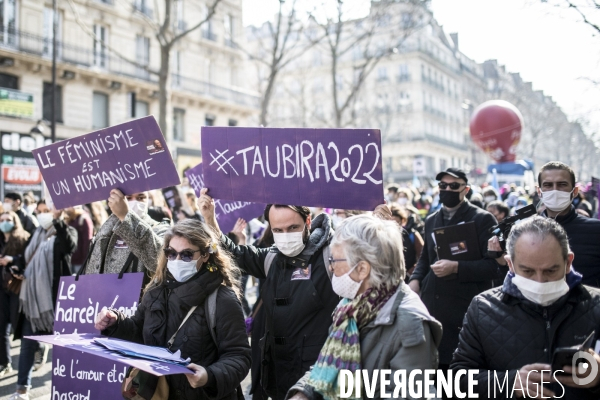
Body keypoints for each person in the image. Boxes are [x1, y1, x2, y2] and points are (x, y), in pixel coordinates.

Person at [198, 189, 339, 400]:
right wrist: (210, 220)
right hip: (276, 373)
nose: (286, 235)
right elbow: (234, 254)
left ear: (308, 221)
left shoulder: (333, 257)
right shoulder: (271, 258)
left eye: (293, 228)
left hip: (317, 378)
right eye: (278, 230)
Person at [286, 215, 442, 400]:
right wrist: (304, 393)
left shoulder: (409, 321)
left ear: (362, 269)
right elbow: (328, 365)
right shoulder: (350, 306)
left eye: (334, 261)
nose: (330, 268)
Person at [94, 219, 251, 400]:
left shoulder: (222, 299)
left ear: (205, 255)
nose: (177, 260)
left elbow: (239, 356)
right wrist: (115, 322)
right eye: (171, 253)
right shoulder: (156, 289)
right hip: (157, 393)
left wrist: (209, 376)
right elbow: (139, 331)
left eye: (186, 255)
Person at [451, 216, 600, 399]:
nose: (540, 281)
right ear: (510, 264)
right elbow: (459, 380)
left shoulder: (596, 304)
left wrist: (598, 377)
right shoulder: (483, 308)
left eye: (550, 271)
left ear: (568, 262)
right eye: (528, 271)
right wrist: (509, 383)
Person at [408, 167, 507, 371]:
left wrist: (457, 268)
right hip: (432, 307)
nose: (447, 190)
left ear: (466, 189)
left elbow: (492, 267)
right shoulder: (432, 220)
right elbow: (426, 259)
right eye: (443, 186)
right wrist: (415, 282)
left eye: (454, 186)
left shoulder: (482, 219)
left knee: (460, 371)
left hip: (464, 309)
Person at [9, 201, 77, 400]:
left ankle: (67, 390)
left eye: (46, 211)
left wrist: (58, 221)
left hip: (55, 301)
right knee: (27, 344)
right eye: (40, 212)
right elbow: (26, 258)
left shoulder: (67, 230)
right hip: (32, 302)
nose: (42, 215)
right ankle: (22, 389)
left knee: (62, 347)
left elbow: (68, 246)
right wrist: (18, 269)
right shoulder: (37, 233)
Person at [537, 161, 600, 287]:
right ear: (539, 192)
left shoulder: (595, 230)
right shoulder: (526, 231)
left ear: (575, 191)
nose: (555, 191)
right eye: (548, 185)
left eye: (562, 185)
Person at [81, 190, 169, 277]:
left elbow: (160, 261)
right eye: (128, 198)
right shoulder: (106, 230)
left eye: (141, 198)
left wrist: (126, 216)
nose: (135, 202)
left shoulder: (160, 229)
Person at [0, 212, 30, 378]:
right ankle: (5, 363)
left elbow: (27, 258)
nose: (4, 223)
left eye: (8, 220)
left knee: (17, 323)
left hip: (16, 287)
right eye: (2, 220)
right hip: (1, 288)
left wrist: (11, 259)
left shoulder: (23, 237)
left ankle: (37, 346)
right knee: (2, 327)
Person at [64, 205, 94, 274]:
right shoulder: (69, 219)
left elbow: (87, 241)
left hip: (80, 261)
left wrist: (85, 261)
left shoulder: (83, 219)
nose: (67, 208)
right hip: (71, 260)